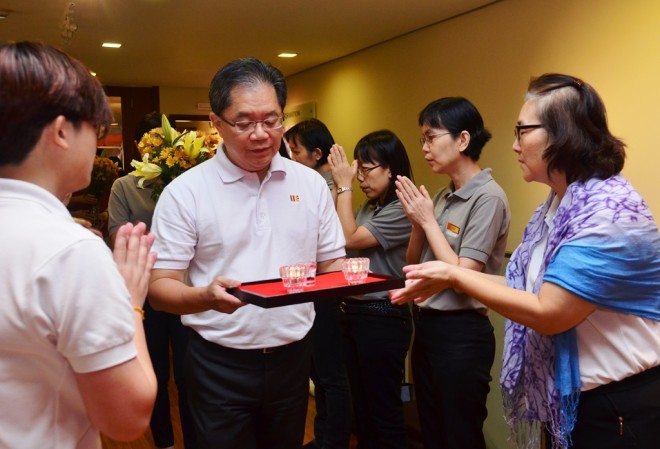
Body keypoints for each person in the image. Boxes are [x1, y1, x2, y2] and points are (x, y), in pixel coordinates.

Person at [391, 74, 660, 449]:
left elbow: (550, 311)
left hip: (617, 404)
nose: (514, 145)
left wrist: (455, 274)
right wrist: (451, 277)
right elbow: (523, 288)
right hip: (572, 399)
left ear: (561, 133)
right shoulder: (554, 207)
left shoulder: (606, 212)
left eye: (522, 131)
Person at [147, 57, 347, 449]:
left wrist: (359, 277)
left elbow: (332, 265)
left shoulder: (309, 185)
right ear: (218, 123)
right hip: (217, 362)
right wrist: (204, 296)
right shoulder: (186, 192)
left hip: (293, 359)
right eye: (244, 122)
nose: (261, 134)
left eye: (272, 120)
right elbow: (159, 289)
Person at [0, 41, 157, 448]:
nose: (98, 144)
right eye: (97, 130)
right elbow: (127, 418)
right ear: (61, 131)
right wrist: (130, 301)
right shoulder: (70, 251)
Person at [393, 97, 511, 449]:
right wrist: (418, 224)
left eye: (431, 138)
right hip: (428, 328)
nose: (425, 148)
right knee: (432, 430)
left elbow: (465, 276)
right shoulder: (444, 195)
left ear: (462, 140)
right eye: (423, 140)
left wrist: (429, 221)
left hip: (462, 334)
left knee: (460, 434)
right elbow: (412, 264)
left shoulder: (488, 197)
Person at [107, 111, 197, 449]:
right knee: (156, 372)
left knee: (191, 374)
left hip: (185, 289)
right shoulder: (124, 187)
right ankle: (165, 442)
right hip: (145, 291)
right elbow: (118, 234)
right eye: (151, 144)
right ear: (139, 146)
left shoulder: (187, 181)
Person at [327, 130, 414, 449]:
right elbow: (337, 238)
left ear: (390, 169)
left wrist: (344, 184)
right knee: (361, 414)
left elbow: (349, 238)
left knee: (385, 415)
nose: (361, 177)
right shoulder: (367, 208)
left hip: (383, 317)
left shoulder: (401, 209)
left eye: (368, 169)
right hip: (353, 314)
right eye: (357, 169)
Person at [286, 119, 353, 449]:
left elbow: (341, 238)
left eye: (295, 151)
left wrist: (343, 186)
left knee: (331, 376)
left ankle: (332, 440)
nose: (291, 157)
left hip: (327, 290)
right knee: (321, 375)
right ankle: (324, 435)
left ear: (316, 153)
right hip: (309, 289)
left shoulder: (328, 187)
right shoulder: (309, 184)